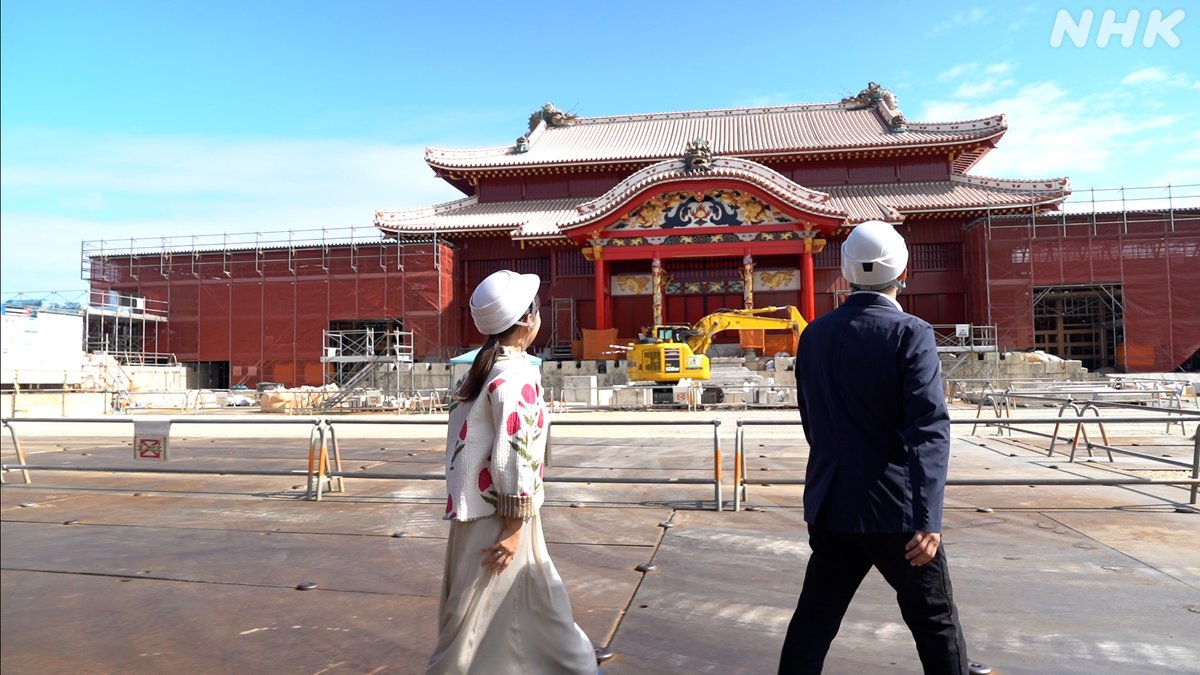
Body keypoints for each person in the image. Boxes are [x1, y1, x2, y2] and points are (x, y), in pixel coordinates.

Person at [778, 221, 989, 675]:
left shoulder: (813, 334)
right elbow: (928, 429)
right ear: (904, 271)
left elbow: (812, 421)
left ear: (846, 272)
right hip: (898, 513)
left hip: (832, 505)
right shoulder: (911, 332)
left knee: (814, 623)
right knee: (934, 623)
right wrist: (927, 517)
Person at [427, 270, 599, 675]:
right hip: (503, 520)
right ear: (527, 320)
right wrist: (516, 527)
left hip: (477, 515)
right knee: (481, 616)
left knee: (513, 608)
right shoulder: (516, 376)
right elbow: (515, 456)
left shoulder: (478, 374)